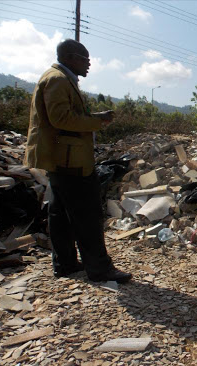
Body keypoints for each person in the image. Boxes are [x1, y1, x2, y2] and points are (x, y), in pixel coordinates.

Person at [25, 39, 132, 283]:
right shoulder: (58, 80)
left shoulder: (58, 78)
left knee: (60, 213)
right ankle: (99, 269)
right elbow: (61, 118)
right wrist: (96, 122)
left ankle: (66, 264)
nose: (89, 63)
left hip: (61, 157)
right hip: (69, 158)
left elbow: (66, 116)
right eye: (85, 59)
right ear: (71, 58)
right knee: (87, 214)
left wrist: (95, 117)